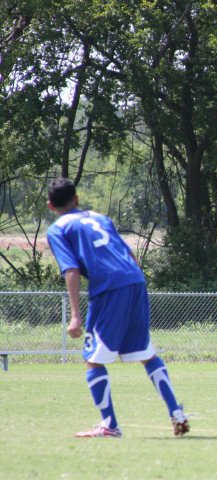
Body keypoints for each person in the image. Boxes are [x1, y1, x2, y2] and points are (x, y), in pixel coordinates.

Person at [45, 177, 189, 438]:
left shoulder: (58, 229)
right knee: (146, 353)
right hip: (134, 279)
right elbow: (129, 254)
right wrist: (135, 284)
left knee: (93, 359)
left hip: (109, 287)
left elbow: (71, 270)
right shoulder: (100, 218)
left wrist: (75, 316)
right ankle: (176, 412)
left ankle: (109, 425)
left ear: (50, 206)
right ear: (76, 199)